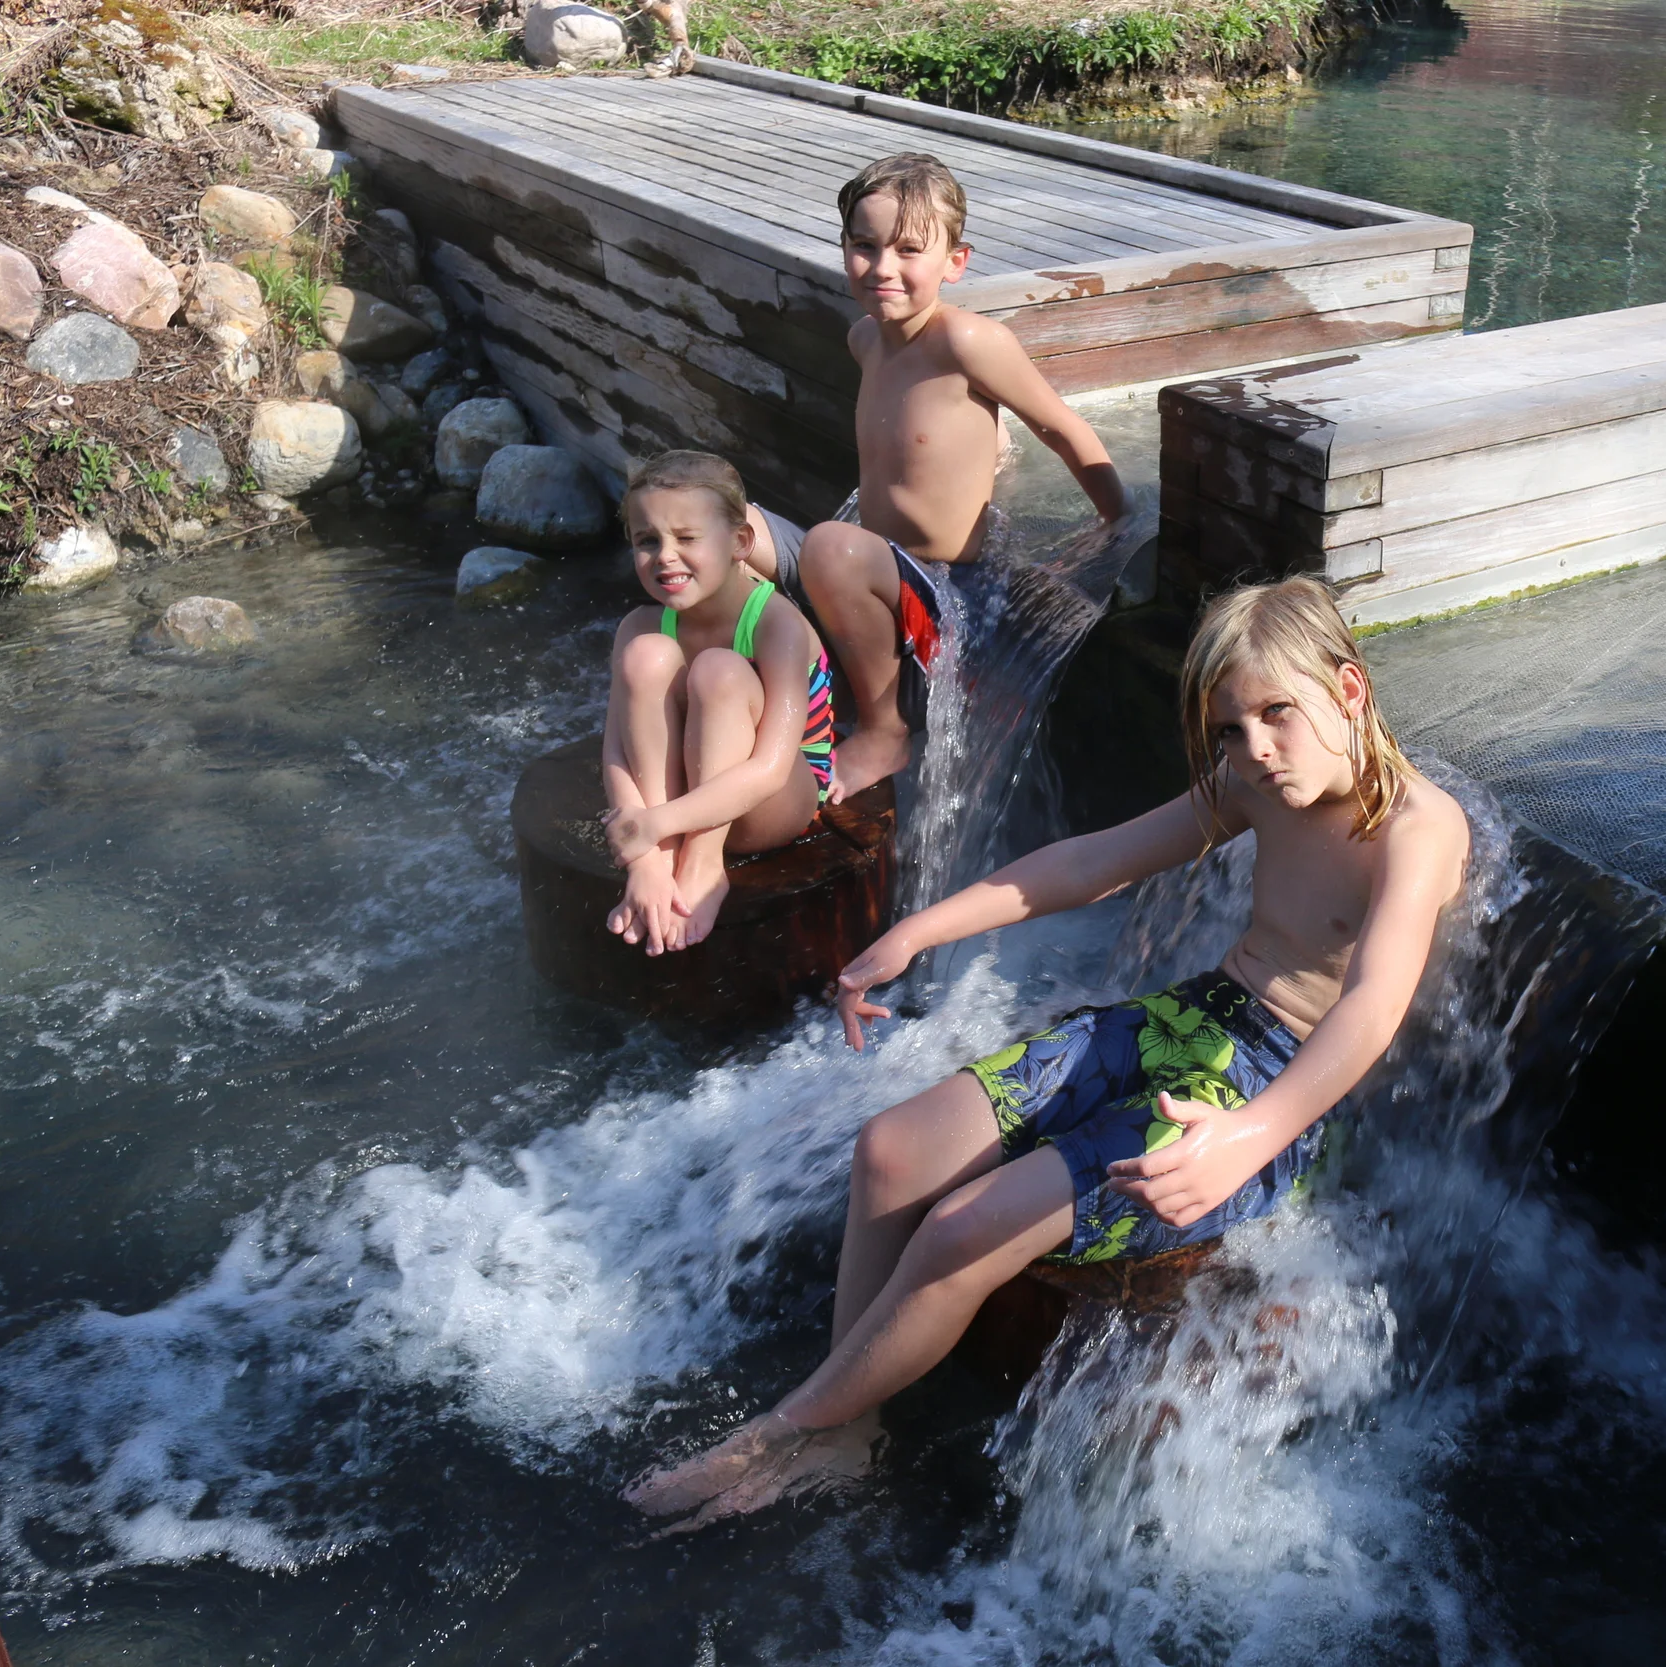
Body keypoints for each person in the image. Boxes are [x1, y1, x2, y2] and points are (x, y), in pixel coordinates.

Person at [624, 577, 1470, 1527]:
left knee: (958, 1229)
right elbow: (1091, 862)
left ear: (1349, 691)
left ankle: (787, 1432)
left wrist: (1247, 1137)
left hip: (1277, 1088)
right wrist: (922, 930)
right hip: (1191, 1018)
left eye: (1277, 714)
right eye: (1231, 729)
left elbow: (1371, 1010)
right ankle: (847, 1422)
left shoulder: (1417, 828)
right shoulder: (1256, 783)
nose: (1255, 750)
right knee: (891, 1152)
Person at [765, 151, 1129, 803]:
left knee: (828, 544)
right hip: (886, 578)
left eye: (910, 250)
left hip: (955, 597)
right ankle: (788, 698)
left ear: (955, 263)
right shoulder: (865, 341)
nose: (883, 268)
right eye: (865, 246)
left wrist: (1119, 527)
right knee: (727, 530)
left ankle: (884, 730)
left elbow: (1062, 428)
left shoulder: (968, 342)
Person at [599, 450, 837, 956]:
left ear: (740, 543)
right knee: (645, 656)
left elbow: (772, 771)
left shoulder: (777, 624)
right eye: (647, 540)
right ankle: (663, 866)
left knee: (718, 668)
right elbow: (616, 750)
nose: (664, 555)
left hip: (772, 801)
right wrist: (641, 854)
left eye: (686, 538)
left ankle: (703, 867)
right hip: (682, 801)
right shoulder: (638, 625)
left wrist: (656, 822)